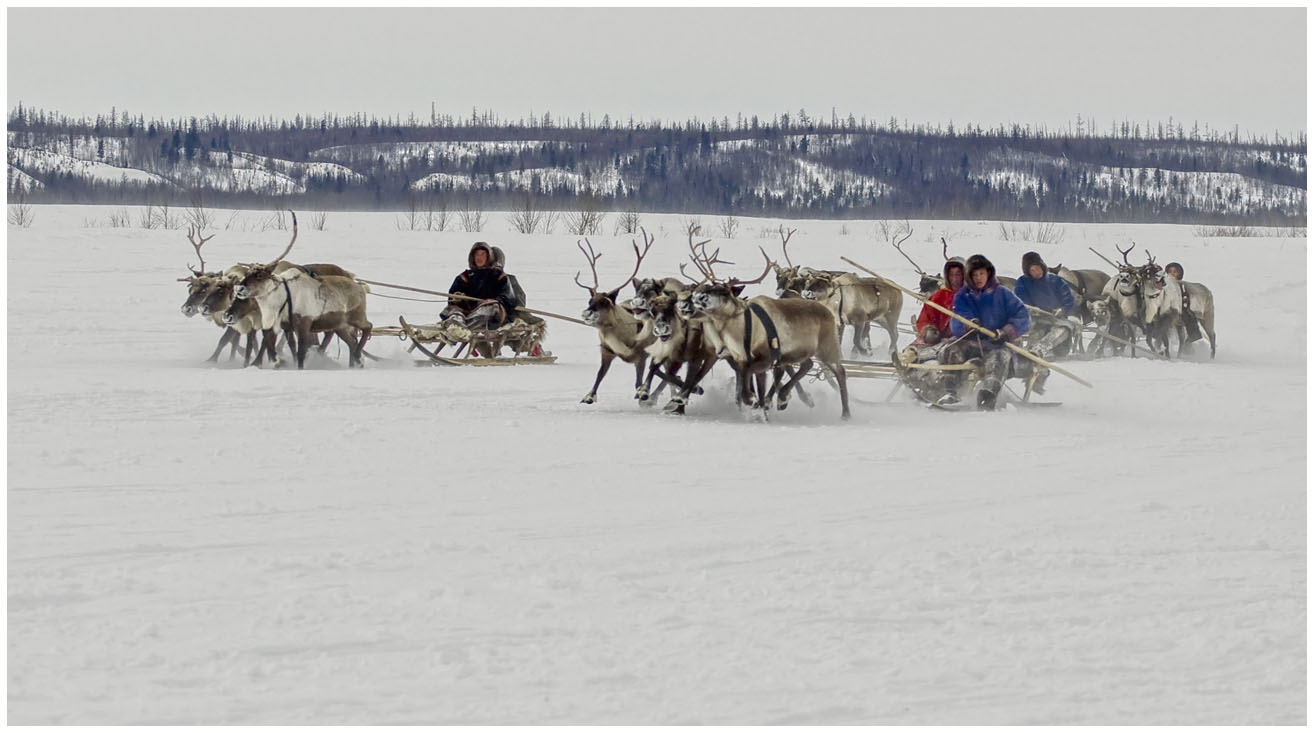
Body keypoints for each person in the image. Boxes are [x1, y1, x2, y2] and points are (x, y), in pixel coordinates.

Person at [949, 254, 1040, 410]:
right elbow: (956, 320)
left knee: (999, 358)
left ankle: (988, 394)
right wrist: (968, 325)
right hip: (972, 343)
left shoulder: (1003, 294)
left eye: (982, 274)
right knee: (950, 350)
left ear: (989, 273)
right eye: (975, 275)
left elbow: (1023, 316)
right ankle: (950, 392)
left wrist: (1005, 332)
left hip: (999, 345)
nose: (979, 278)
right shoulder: (962, 296)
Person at [899, 258, 967, 402]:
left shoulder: (972, 296)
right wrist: (928, 330)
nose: (954, 279)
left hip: (960, 340)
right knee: (911, 354)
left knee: (944, 356)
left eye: (958, 275)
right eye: (951, 275)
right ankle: (914, 380)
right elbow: (925, 318)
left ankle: (945, 390)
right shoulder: (939, 296)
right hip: (935, 339)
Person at [440, 242, 520, 332]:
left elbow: (509, 298)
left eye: (483, 254)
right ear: (472, 257)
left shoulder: (498, 276)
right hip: (468, 311)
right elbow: (452, 297)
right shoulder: (466, 276)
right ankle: (456, 326)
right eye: (477, 254)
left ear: (489, 257)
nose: (479, 257)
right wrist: (457, 297)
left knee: (490, 308)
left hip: (490, 313)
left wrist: (494, 301)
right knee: (451, 310)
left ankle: (466, 328)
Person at [1012, 251, 1077, 359]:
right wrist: (1032, 310)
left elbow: (1069, 299)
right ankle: (1025, 350)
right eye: (1032, 270)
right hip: (1036, 319)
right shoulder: (1022, 283)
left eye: (1037, 268)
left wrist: (1063, 310)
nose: (1036, 272)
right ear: (1027, 272)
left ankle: (1039, 349)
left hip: (1056, 319)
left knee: (1065, 328)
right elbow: (1022, 302)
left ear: (1042, 266)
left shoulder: (1056, 280)